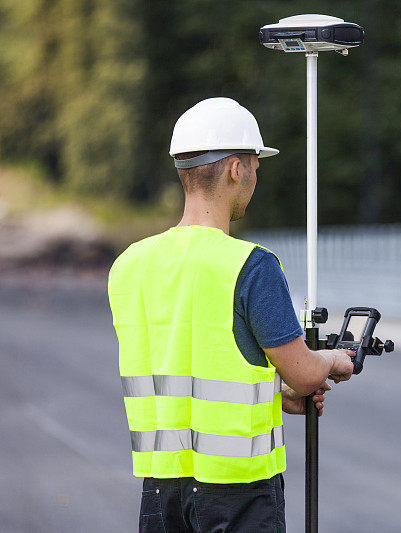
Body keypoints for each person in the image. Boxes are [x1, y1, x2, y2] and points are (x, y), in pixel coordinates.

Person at [107, 97, 354, 532]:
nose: (257, 176)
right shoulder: (251, 265)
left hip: (160, 492)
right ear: (236, 169)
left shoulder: (130, 264)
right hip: (238, 494)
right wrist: (334, 360)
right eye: (256, 165)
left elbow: (185, 364)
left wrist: (274, 396)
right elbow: (306, 373)